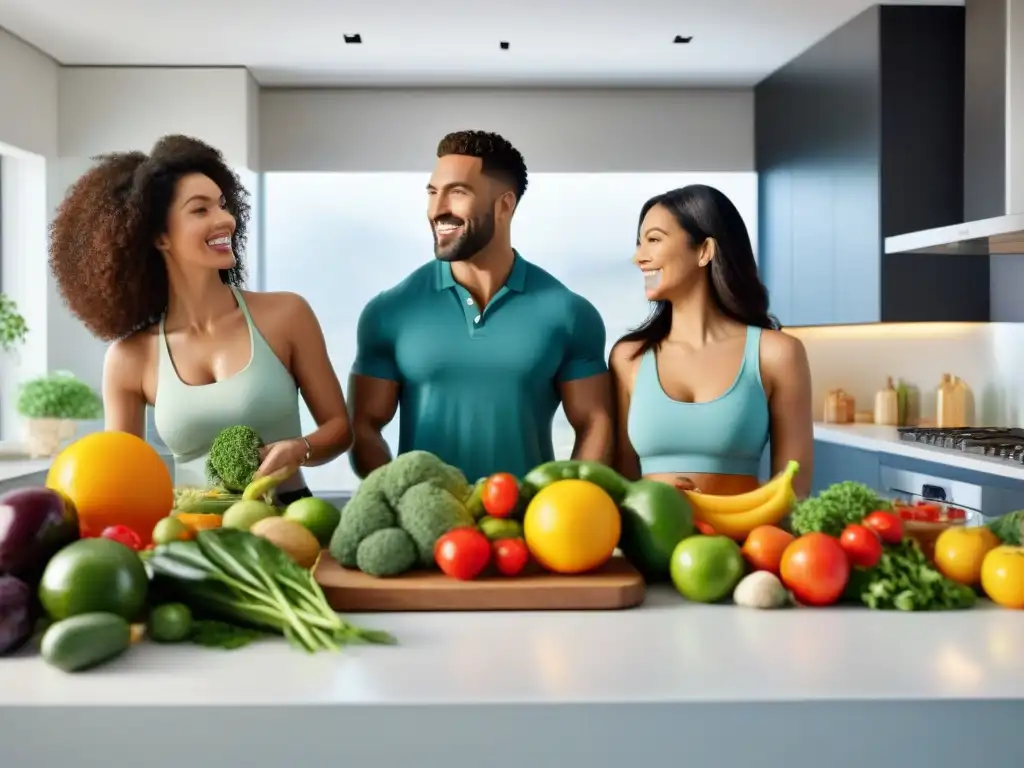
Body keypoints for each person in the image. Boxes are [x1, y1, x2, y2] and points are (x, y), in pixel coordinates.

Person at [48, 135, 352, 502]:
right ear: (160, 237)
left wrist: (299, 448)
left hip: (289, 520)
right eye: (200, 210)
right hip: (190, 533)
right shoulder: (131, 357)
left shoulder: (287, 315)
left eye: (223, 205)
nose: (225, 219)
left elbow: (339, 429)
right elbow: (123, 478)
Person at [348, 129, 613, 483]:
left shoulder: (568, 313)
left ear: (504, 205)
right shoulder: (389, 311)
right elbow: (362, 428)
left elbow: (596, 422)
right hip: (426, 531)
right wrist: (401, 499)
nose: (438, 209)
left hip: (526, 531)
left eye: (457, 193)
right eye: (432, 193)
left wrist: (568, 501)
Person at [609, 184, 813, 499]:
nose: (639, 258)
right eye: (639, 243)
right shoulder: (629, 357)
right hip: (651, 545)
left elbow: (793, 485)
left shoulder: (776, 354)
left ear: (704, 250)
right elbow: (622, 480)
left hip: (743, 543)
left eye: (653, 240)